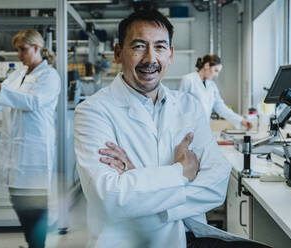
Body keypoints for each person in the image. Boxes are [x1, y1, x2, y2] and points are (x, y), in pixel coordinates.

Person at [74, 10, 270, 248]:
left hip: (184, 237)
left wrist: (139, 182)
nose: (150, 58)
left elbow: (217, 183)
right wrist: (181, 173)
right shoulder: (93, 111)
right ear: (118, 53)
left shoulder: (188, 105)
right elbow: (110, 197)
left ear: (171, 54)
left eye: (159, 47)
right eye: (138, 46)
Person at [0, 29, 61, 248]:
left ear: (36, 48)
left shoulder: (49, 76)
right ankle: (32, 244)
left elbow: (32, 102)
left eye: (22, 49)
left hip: (35, 149)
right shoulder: (18, 74)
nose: (18, 54)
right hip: (15, 148)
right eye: (17, 49)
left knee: (34, 205)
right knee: (18, 200)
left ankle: (37, 245)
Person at [179, 54, 252, 130]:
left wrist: (241, 120)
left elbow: (221, 107)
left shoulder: (212, 86)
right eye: (215, 70)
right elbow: (180, 105)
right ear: (207, 65)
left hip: (203, 128)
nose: (216, 75)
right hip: (188, 128)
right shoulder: (188, 79)